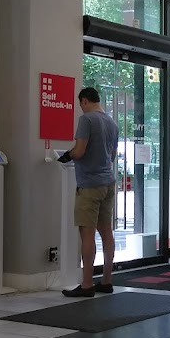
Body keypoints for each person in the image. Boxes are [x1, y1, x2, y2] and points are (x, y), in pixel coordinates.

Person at [59, 86, 119, 299]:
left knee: (87, 233)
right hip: (108, 183)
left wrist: (67, 156)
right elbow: (112, 155)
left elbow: (80, 150)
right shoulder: (112, 122)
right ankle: (107, 280)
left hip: (89, 184)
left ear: (84, 101)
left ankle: (86, 284)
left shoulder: (87, 120)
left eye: (81, 105)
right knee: (107, 232)